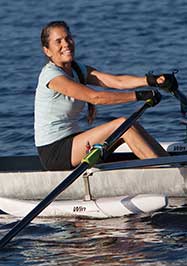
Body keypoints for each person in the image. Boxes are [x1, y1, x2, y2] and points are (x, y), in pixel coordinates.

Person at [34, 21, 177, 171]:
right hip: (55, 152)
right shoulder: (52, 76)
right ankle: (168, 174)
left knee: (130, 125)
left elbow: (116, 81)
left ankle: (173, 168)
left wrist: (151, 80)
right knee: (124, 126)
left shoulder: (77, 69)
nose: (66, 44)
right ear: (47, 51)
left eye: (68, 38)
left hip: (73, 141)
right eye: (58, 41)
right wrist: (138, 96)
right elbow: (95, 97)